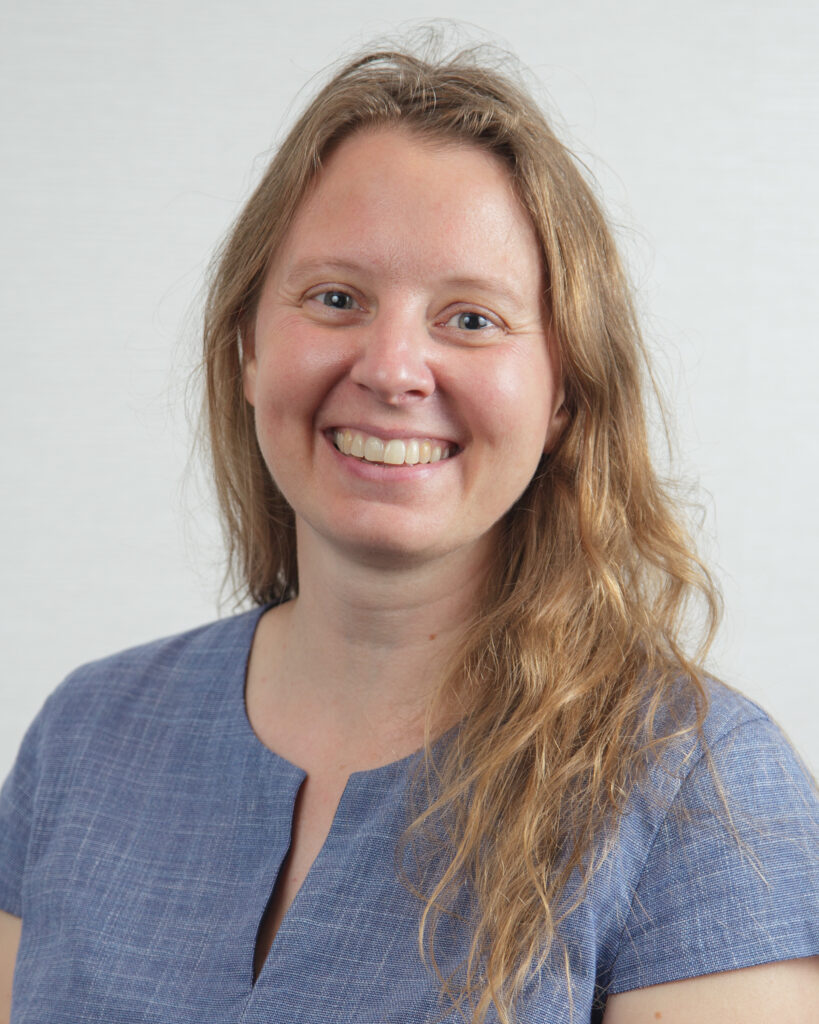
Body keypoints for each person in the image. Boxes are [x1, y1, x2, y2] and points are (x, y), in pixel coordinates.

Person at [0, 43, 817, 1024]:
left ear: (564, 395)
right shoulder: (85, 741)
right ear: (249, 348)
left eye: (471, 319)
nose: (392, 368)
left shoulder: (702, 786)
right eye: (336, 298)